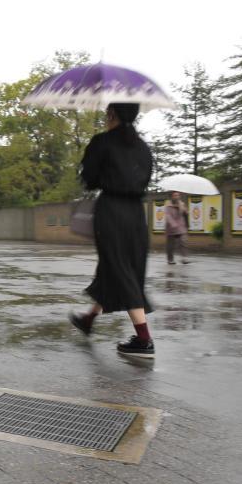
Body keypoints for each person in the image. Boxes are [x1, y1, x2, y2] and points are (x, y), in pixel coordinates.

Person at [69, 103, 155, 358]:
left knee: (119, 267)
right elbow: (145, 178)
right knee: (114, 267)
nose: (106, 117)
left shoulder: (102, 142)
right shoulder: (143, 147)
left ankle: (144, 339)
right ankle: (88, 319)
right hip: (136, 214)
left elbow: (90, 179)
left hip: (111, 211)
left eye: (108, 113)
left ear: (113, 115)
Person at [164, 191, 190, 264]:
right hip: (171, 228)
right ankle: (170, 259)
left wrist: (184, 209)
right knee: (170, 245)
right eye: (175, 195)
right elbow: (167, 216)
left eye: (178, 195)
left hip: (181, 226)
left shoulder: (182, 204)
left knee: (183, 241)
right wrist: (173, 224)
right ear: (171, 197)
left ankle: (184, 258)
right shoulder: (168, 206)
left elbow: (186, 213)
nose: (177, 197)